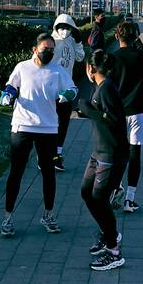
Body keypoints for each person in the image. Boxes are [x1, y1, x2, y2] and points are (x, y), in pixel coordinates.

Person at [0, 33, 78, 237]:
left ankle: (48, 215)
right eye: (45, 49)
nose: (49, 53)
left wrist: (66, 95)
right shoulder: (22, 67)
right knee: (16, 172)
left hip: (48, 129)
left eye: (52, 50)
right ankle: (7, 217)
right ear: (35, 49)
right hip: (22, 127)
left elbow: (72, 89)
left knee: (48, 173)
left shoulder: (58, 71)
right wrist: (7, 95)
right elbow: (10, 86)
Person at [78, 50, 129, 271]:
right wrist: (86, 110)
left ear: (90, 68)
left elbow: (115, 120)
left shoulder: (107, 87)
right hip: (99, 152)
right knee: (86, 192)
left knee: (99, 199)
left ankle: (113, 251)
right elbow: (100, 113)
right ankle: (109, 233)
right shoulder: (100, 87)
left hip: (111, 154)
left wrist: (89, 110)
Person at [109, 21, 143, 213]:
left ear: (116, 37)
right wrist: (139, 44)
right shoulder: (141, 57)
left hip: (118, 111)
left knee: (117, 152)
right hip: (138, 109)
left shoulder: (112, 58)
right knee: (135, 153)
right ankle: (130, 198)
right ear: (135, 37)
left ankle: (116, 186)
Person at [51, 14, 85, 171]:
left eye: (67, 27)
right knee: (50, 124)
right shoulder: (51, 41)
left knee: (63, 123)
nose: (64, 30)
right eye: (61, 27)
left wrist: (78, 42)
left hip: (67, 89)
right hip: (51, 89)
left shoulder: (72, 41)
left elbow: (80, 57)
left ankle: (57, 154)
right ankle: (46, 154)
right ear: (56, 27)